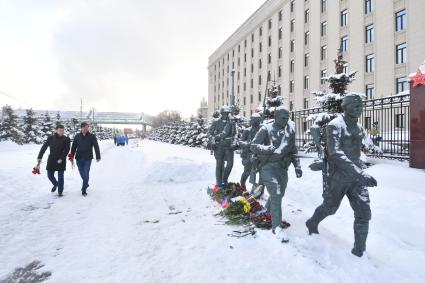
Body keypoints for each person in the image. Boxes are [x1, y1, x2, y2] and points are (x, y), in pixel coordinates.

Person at [305, 94, 378, 257]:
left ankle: (359, 250)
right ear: (345, 107)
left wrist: (360, 171)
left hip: (356, 176)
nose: (359, 109)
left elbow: (356, 153)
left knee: (364, 212)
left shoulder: (358, 127)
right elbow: (335, 153)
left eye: (361, 106)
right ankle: (312, 222)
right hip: (339, 176)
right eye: (355, 106)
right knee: (330, 208)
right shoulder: (334, 125)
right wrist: (359, 173)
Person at [251, 106, 302, 242]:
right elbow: (254, 145)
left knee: (280, 193)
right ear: (276, 117)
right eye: (283, 118)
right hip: (268, 167)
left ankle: (267, 212)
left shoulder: (289, 130)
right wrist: (268, 148)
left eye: (287, 118)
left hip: (282, 168)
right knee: (277, 193)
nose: (286, 120)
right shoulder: (265, 129)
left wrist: (297, 167)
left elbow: (293, 150)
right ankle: (277, 228)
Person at [37, 124, 71, 197]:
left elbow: (67, 150)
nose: (61, 132)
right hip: (51, 159)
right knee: (50, 175)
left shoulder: (66, 139)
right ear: (56, 130)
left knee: (60, 177)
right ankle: (56, 184)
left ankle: (60, 192)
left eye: (62, 130)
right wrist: (39, 157)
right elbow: (44, 147)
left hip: (61, 160)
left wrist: (61, 158)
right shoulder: (51, 138)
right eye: (60, 130)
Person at [69, 122, 101, 196]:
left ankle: (84, 189)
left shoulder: (92, 136)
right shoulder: (77, 136)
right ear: (81, 128)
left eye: (87, 127)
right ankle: (86, 183)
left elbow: (96, 146)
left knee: (86, 172)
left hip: (88, 158)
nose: (85, 129)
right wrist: (71, 156)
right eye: (84, 127)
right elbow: (73, 147)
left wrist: (98, 156)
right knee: (81, 172)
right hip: (79, 157)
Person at [208, 106, 235, 186]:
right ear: (221, 114)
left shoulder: (231, 122)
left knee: (230, 164)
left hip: (229, 146)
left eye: (227, 114)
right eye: (224, 113)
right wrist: (213, 140)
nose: (226, 115)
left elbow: (235, 133)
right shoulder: (216, 122)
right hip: (219, 146)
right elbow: (209, 133)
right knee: (219, 164)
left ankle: (224, 179)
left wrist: (234, 141)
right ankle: (219, 182)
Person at [238, 113, 261, 189]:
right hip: (248, 154)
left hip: (260, 155)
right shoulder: (247, 131)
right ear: (251, 121)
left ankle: (258, 189)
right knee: (247, 172)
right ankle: (242, 184)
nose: (255, 122)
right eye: (254, 120)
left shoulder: (262, 131)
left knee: (262, 173)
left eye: (257, 120)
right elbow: (240, 142)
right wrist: (248, 144)